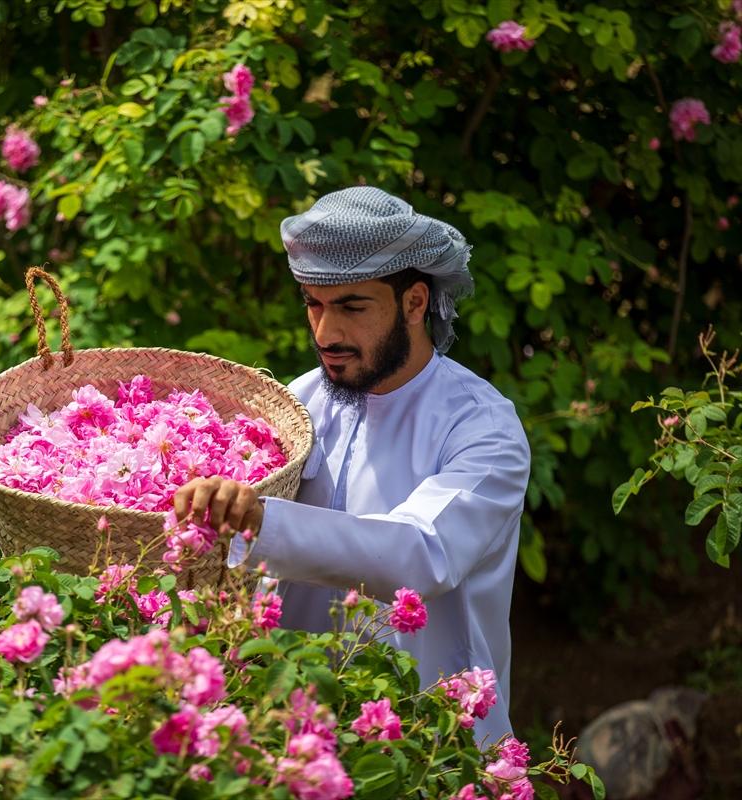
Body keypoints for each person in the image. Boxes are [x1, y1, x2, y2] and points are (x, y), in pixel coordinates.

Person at [173, 186, 531, 744]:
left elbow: (422, 555)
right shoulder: (296, 403)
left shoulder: (483, 427)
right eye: (314, 304)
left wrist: (261, 521)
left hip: (430, 743)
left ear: (414, 302)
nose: (325, 333)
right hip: (290, 729)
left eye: (351, 307)